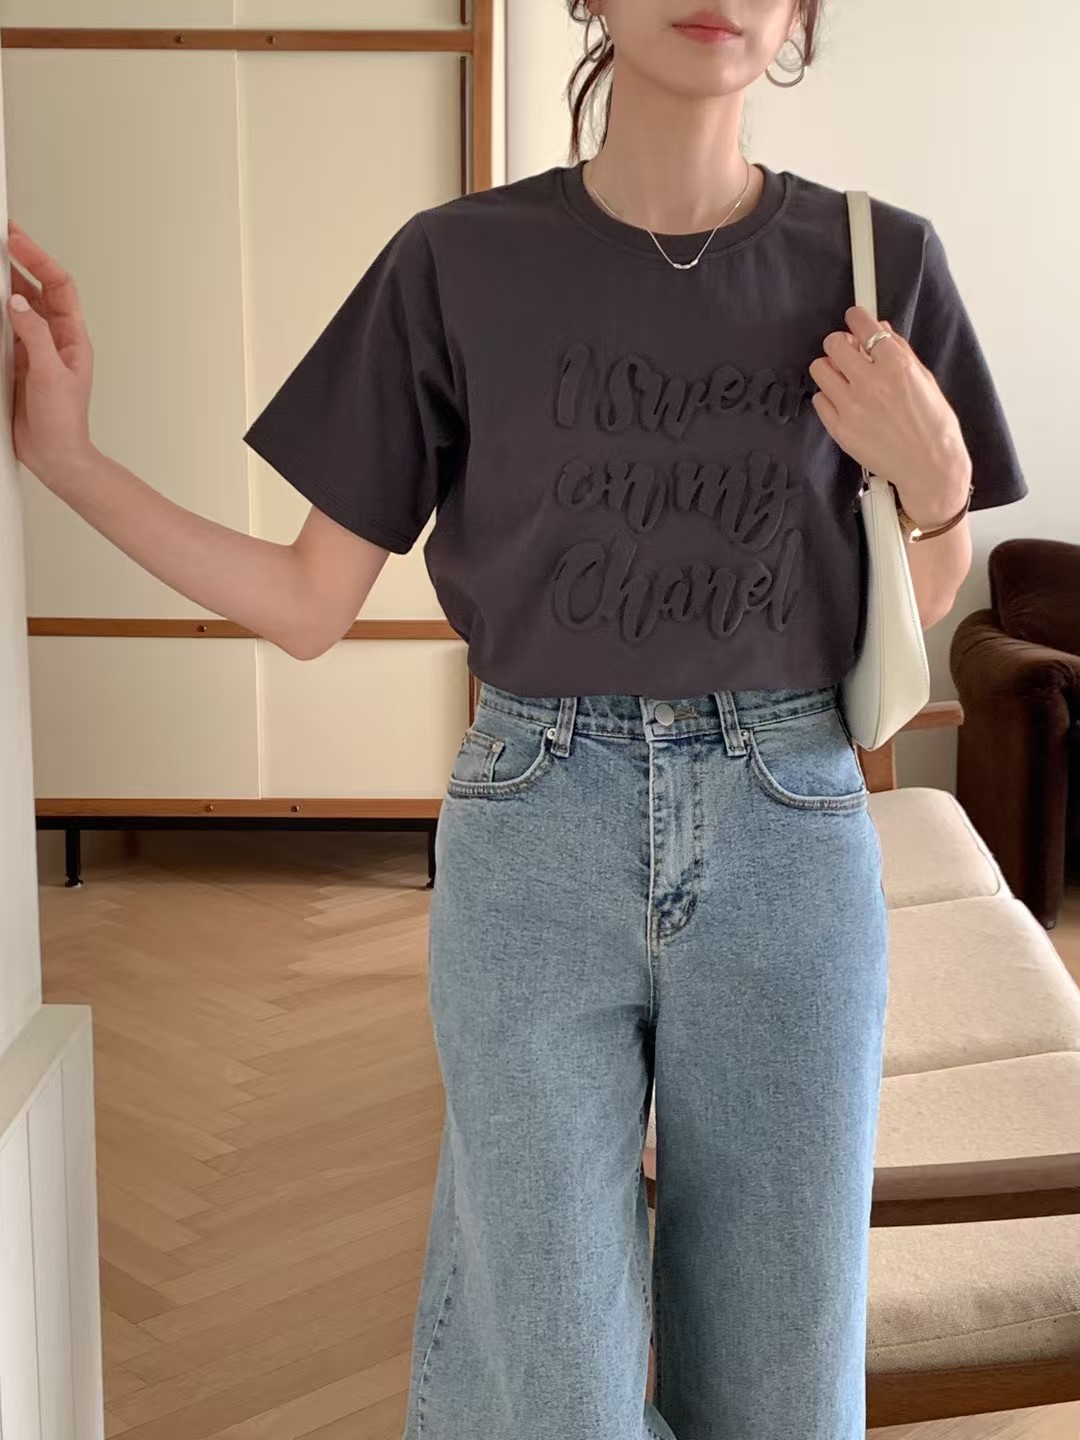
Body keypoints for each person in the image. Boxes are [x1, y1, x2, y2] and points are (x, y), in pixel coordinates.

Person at [8, 1, 1028, 1436]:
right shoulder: (458, 264)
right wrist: (68, 461)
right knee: (553, 1384)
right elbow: (308, 601)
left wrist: (939, 484)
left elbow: (905, 613)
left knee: (786, 1378)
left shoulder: (881, 264)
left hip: (791, 825)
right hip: (538, 821)